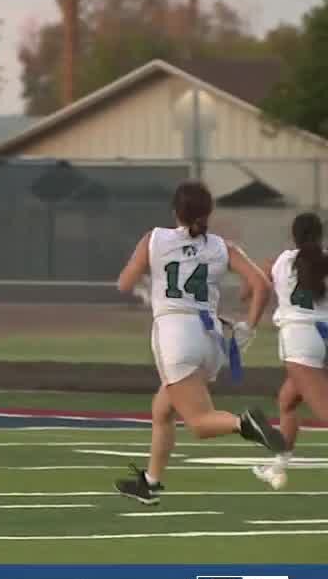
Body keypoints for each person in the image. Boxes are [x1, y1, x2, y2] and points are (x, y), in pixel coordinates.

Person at [114, 181, 285, 505]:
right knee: (163, 409)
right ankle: (150, 483)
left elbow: (124, 282)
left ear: (175, 211)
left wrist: (146, 280)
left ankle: (243, 424)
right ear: (207, 213)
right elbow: (261, 285)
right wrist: (248, 326)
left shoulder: (155, 238)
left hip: (176, 335)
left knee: (199, 422)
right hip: (211, 339)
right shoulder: (223, 247)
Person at [259, 212, 328, 490]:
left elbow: (249, 288)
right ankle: (278, 465)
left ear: (294, 235)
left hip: (300, 340)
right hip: (324, 336)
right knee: (287, 400)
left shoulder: (281, 261)